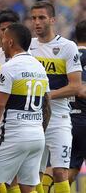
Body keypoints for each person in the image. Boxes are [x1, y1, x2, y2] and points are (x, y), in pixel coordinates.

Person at [0, 23, 51, 193]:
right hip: (37, 136)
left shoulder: (9, 67)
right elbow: (47, 106)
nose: (1, 42)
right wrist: (39, 131)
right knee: (28, 188)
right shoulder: (39, 67)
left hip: (13, 135)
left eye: (3, 39)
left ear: (10, 42)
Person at [29, 0, 82, 193]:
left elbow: (75, 86)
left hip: (59, 118)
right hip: (33, 118)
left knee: (60, 171)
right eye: (33, 18)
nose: (37, 22)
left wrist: (47, 96)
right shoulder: (27, 46)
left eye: (41, 17)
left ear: (52, 20)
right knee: (32, 173)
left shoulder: (68, 47)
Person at [68, 19, 86, 184]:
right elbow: (82, 89)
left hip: (67, 118)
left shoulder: (68, 55)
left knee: (70, 171)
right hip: (84, 118)